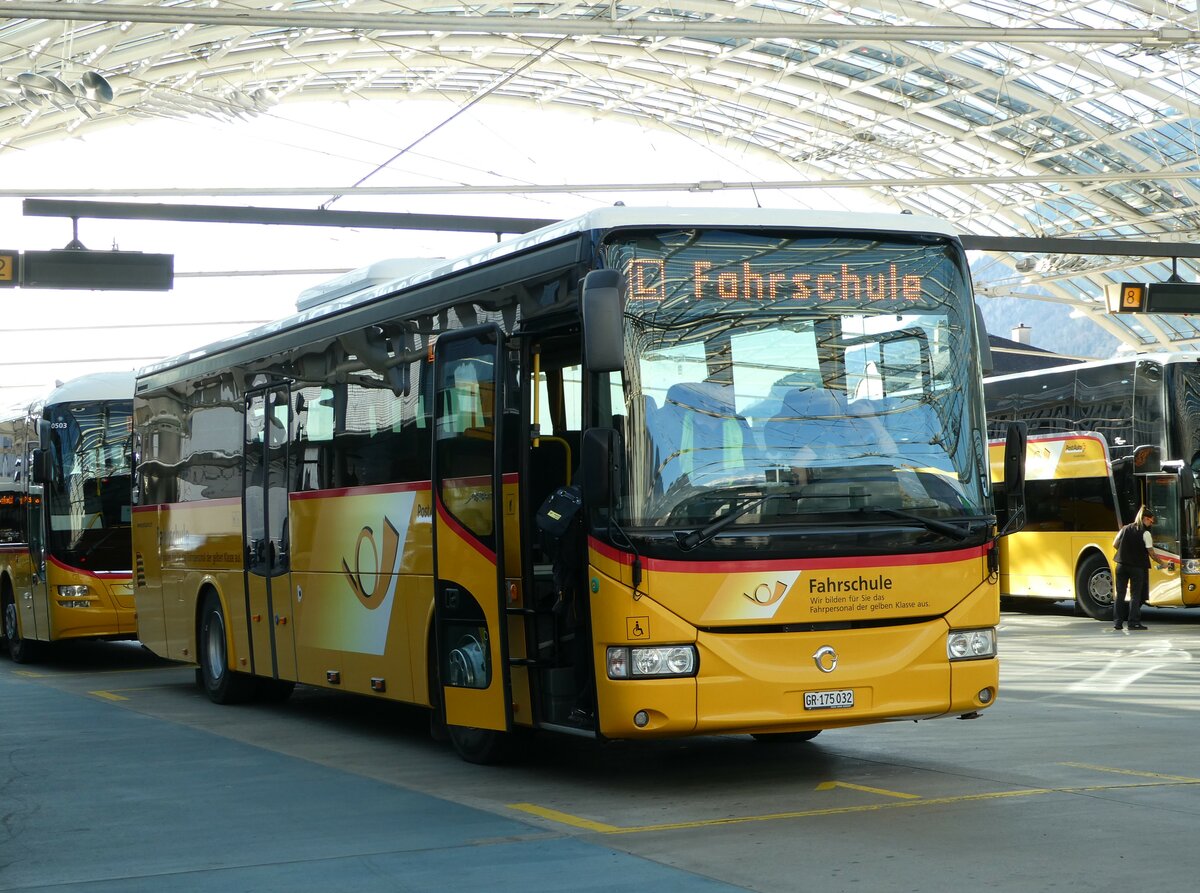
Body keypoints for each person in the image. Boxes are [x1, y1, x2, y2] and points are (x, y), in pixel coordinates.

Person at [1112, 506, 1154, 631]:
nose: (1151, 523)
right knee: (1135, 595)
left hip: (1121, 565)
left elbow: (1115, 544)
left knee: (1120, 594)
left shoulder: (1125, 528)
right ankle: (1133, 622)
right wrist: (1162, 563)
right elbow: (1151, 553)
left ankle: (1117, 623)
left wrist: (1125, 552)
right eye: (1151, 520)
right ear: (1145, 518)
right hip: (1137, 567)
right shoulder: (1145, 533)